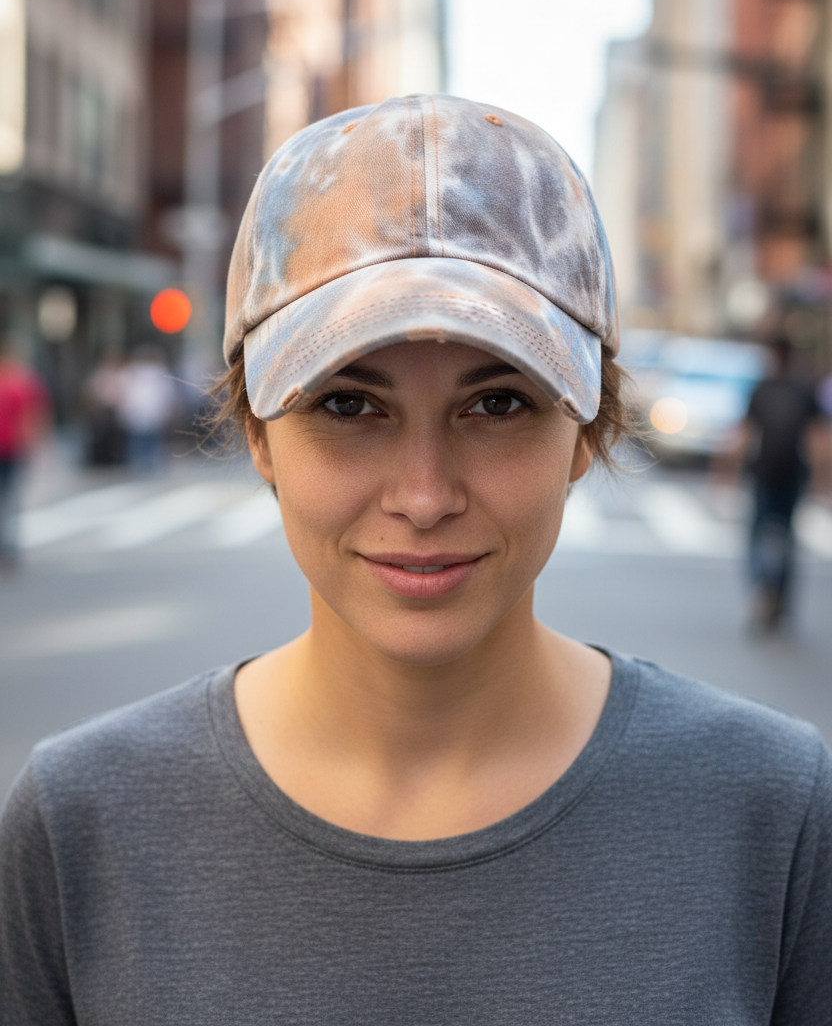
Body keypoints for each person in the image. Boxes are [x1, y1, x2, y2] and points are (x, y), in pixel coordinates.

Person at [1, 96, 830, 1023]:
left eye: (499, 404)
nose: (425, 495)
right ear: (260, 437)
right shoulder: (80, 827)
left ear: (587, 431)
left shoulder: (777, 815)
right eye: (350, 406)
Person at [739, 338, 830, 631]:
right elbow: (817, 437)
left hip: (766, 472)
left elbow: (745, 432)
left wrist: (725, 468)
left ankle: (763, 587)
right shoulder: (803, 389)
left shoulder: (762, 388)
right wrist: (821, 475)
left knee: (757, 536)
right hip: (792, 473)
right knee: (787, 540)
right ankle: (778, 598)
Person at [0, 338, 50, 568]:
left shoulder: (22, 381)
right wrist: (33, 447)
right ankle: (7, 549)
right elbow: (33, 417)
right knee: (10, 500)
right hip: (12, 449)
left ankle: (7, 548)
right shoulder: (23, 381)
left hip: (11, 448)